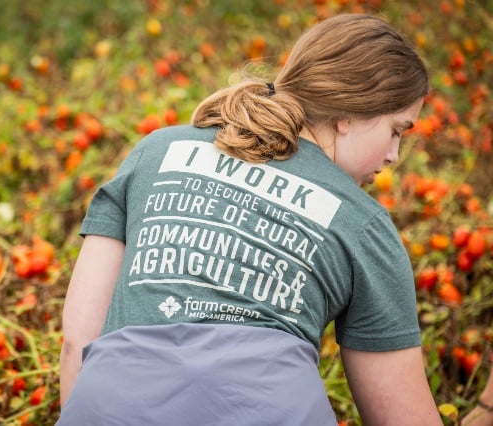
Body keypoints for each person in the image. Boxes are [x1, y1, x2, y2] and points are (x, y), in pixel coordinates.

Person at [56, 13, 443, 425]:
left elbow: (78, 339)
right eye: (396, 131)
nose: (393, 156)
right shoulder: (365, 224)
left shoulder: (157, 151)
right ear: (348, 115)